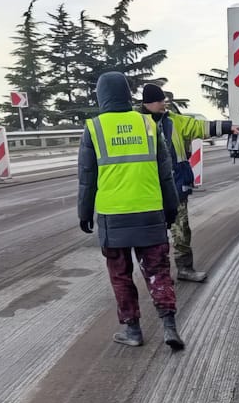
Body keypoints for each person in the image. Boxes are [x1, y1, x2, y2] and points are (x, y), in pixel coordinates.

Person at [77, 71, 184, 350]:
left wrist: (84, 213)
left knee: (120, 275)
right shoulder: (148, 124)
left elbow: (87, 178)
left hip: (113, 217)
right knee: (158, 271)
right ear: (127, 94)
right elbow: (165, 173)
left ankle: (133, 331)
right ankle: (169, 327)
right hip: (150, 211)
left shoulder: (94, 128)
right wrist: (171, 208)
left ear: (101, 96)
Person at [137, 83, 239, 282]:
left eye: (164, 100)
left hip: (175, 186)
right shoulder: (136, 123)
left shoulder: (174, 121)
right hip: (148, 190)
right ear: (148, 103)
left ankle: (185, 269)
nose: (164, 104)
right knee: (154, 235)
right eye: (159, 101)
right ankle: (159, 276)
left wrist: (228, 127)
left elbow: (200, 127)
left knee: (181, 230)